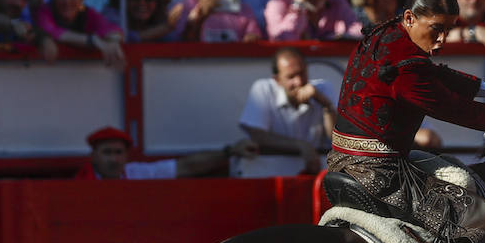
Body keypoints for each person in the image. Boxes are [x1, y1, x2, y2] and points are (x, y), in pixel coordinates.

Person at [326, 0, 485, 243]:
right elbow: (459, 111)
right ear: (410, 17)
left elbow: (435, 73)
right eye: (436, 29)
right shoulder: (406, 68)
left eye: (448, 29)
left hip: (343, 160)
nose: (442, 39)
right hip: (380, 174)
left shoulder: (387, 34)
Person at [237, 46, 336, 176]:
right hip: (270, 174)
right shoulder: (263, 89)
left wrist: (326, 105)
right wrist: (301, 146)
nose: (299, 82)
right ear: (277, 80)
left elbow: (336, 140)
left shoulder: (323, 89)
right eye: (291, 77)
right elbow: (258, 136)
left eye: (302, 73)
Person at [75, 125, 258, 179]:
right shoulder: (80, 182)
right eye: (107, 152)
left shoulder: (135, 173)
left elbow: (186, 166)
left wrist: (230, 151)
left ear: (126, 156)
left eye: (118, 152)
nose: (114, 159)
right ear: (94, 156)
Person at [35, 0, 127, 65]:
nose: (67, 1)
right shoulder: (44, 11)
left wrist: (113, 41)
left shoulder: (88, 13)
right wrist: (93, 41)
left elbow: (112, 29)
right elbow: (51, 31)